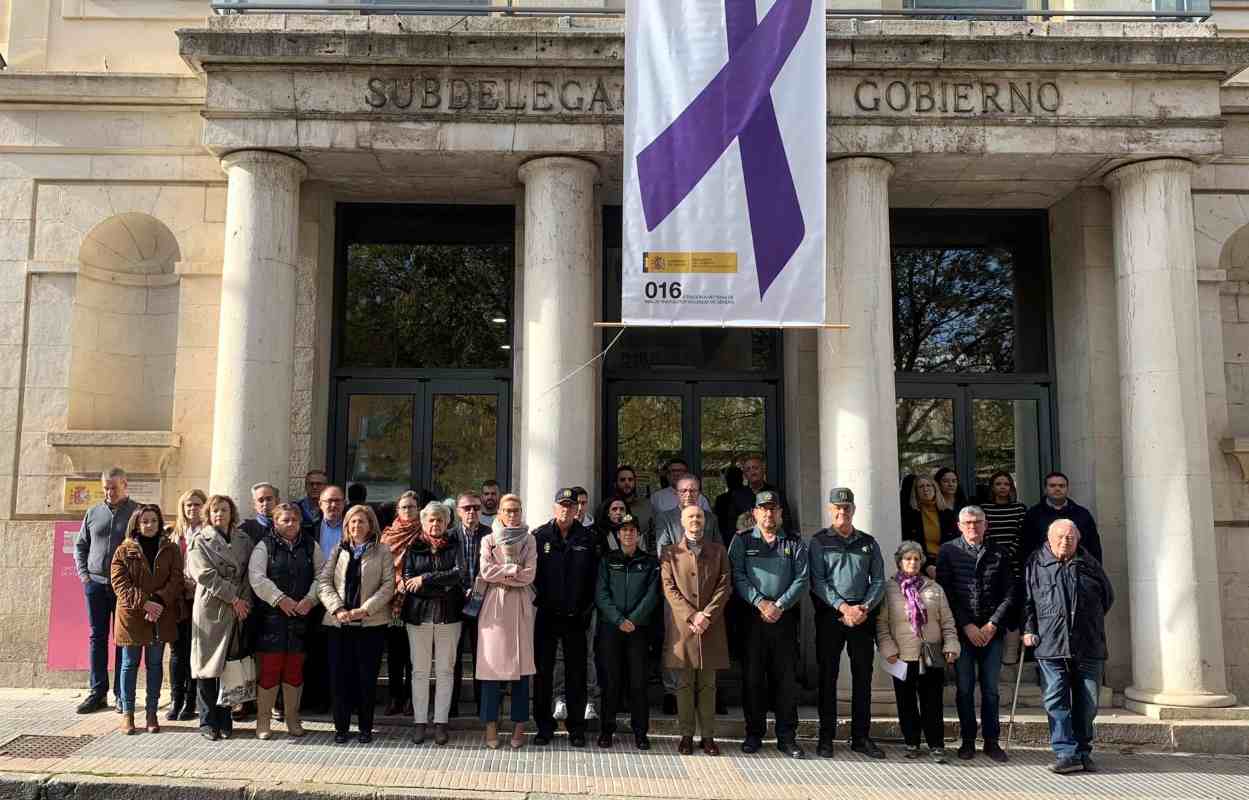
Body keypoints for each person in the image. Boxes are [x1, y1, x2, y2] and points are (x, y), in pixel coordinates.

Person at [1023, 519, 1113, 774]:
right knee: (1055, 699)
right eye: (1061, 537)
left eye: (1071, 537)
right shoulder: (1036, 563)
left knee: (1088, 702)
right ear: (1049, 539)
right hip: (1051, 645)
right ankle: (1065, 752)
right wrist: (1029, 629)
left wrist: (1087, 621)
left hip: (1088, 644)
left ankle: (1083, 751)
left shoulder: (1090, 564)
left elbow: (1107, 597)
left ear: (1079, 539)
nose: (1066, 541)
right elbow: (1027, 602)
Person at [728, 490, 809, 759]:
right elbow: (736, 575)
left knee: (785, 680)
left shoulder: (794, 542)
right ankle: (754, 734)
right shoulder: (741, 541)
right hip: (753, 619)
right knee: (753, 679)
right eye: (763, 509)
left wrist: (780, 605)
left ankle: (787, 737)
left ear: (780, 513)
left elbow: (802, 578)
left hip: (784, 620)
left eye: (773, 509)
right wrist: (760, 602)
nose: (769, 513)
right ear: (755, 513)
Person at [808, 487, 886, 759]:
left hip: (863, 616)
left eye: (847, 508)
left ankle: (861, 737)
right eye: (838, 508)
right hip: (831, 615)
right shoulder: (818, 542)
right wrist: (842, 607)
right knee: (827, 677)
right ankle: (826, 737)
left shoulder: (867, 542)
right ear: (831, 510)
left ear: (854, 510)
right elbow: (817, 581)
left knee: (862, 677)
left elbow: (877, 580)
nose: (843, 512)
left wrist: (862, 607)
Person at [936, 506, 1016, 763]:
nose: (973, 527)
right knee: (965, 689)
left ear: (986, 524)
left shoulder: (1000, 552)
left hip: (992, 632)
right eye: (968, 523)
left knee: (991, 690)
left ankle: (992, 742)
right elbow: (946, 592)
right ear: (959, 526)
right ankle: (967, 741)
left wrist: (993, 624)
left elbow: (1011, 592)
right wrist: (967, 626)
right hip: (963, 633)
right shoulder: (948, 551)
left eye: (977, 522)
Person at [875, 540, 959, 762]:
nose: (912, 562)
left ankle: (936, 745)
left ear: (921, 561)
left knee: (932, 702)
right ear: (899, 561)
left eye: (916, 558)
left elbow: (948, 622)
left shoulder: (934, 588)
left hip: (930, 654)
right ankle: (912, 742)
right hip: (901, 655)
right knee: (906, 702)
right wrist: (887, 648)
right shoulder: (888, 588)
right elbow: (881, 624)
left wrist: (951, 645)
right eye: (907, 558)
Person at [319, 503, 394, 744]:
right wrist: (337, 609)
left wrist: (365, 610)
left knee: (366, 678)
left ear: (371, 525)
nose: (356, 526)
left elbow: (388, 586)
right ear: (346, 526)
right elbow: (324, 583)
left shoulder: (382, 551)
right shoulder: (337, 551)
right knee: (340, 678)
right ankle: (341, 728)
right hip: (338, 624)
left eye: (361, 521)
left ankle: (365, 728)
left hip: (370, 625)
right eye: (352, 522)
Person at [247, 502, 323, 740]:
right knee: (269, 671)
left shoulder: (311, 545)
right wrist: (279, 599)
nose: (291, 524)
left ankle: (292, 718)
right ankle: (263, 721)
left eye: (295, 520)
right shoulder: (264, 547)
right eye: (285, 520)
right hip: (271, 620)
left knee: (294, 672)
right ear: (275, 522)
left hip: (301, 619)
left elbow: (322, 575)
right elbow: (257, 578)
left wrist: (311, 599)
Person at [531, 488, 599, 747]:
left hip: (576, 617)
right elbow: (532, 576)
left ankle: (576, 728)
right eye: (562, 505)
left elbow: (594, 578)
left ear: (576, 509)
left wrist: (586, 609)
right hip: (547, 615)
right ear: (554, 507)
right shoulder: (539, 536)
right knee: (543, 674)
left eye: (570, 506)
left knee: (576, 674)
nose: (566, 509)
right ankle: (544, 727)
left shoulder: (587, 537)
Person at [660, 505, 730, 756]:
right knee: (685, 684)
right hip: (684, 626)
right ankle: (686, 735)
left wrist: (707, 614)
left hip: (710, 625)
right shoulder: (670, 553)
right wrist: (692, 615)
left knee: (709, 684)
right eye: (690, 516)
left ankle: (708, 736)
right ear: (681, 521)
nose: (695, 521)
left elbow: (724, 585)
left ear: (705, 521)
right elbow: (669, 588)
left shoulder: (718, 551)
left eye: (699, 516)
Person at [110, 503, 182, 735]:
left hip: (160, 615)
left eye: (153, 520)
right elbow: (120, 583)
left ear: (159, 522)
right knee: (129, 664)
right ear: (137, 524)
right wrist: (145, 602)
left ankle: (152, 712)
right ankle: (128, 714)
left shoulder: (170, 549)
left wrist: (159, 601)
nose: (149, 525)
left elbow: (176, 579)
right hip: (133, 616)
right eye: (145, 521)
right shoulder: (124, 550)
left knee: (154, 664)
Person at [187, 494, 253, 741]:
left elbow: (248, 574)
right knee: (207, 665)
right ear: (208, 514)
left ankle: (225, 718)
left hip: (237, 609)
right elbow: (204, 575)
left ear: (231, 513)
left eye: (223, 510)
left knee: (229, 665)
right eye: (214, 511)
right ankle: (206, 721)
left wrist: (243, 602)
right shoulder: (199, 540)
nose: (219, 514)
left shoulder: (243, 540)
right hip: (212, 607)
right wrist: (233, 598)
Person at [73, 466, 138, 714]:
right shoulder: (93, 512)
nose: (109, 492)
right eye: (106, 488)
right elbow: (81, 545)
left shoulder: (137, 512)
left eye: (114, 487)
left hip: (125, 588)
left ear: (125, 485)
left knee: (123, 638)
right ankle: (97, 692)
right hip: (96, 585)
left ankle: (122, 694)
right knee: (97, 637)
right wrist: (85, 576)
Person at [400, 501, 465, 746]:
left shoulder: (454, 545)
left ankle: (440, 723)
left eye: (439, 519)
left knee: (446, 671)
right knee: (419, 671)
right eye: (431, 520)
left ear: (447, 522)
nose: (435, 524)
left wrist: (425, 579)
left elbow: (458, 573)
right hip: (419, 616)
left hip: (449, 616)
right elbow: (408, 581)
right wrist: (440, 585)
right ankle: (419, 723)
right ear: (423, 523)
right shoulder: (413, 547)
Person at [594, 513, 660, 749]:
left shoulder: (650, 562)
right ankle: (607, 730)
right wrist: (619, 619)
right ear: (617, 534)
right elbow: (601, 594)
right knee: (611, 681)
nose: (628, 534)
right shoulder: (607, 560)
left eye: (632, 530)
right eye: (624, 530)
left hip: (639, 631)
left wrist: (633, 619)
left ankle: (640, 732)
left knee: (638, 683)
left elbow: (652, 595)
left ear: (639, 535)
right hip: (611, 629)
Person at [476, 493, 535, 750]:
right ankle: (490, 726)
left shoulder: (529, 539)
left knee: (521, 670)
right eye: (508, 510)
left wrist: (505, 574)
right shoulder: (488, 539)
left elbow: (530, 575)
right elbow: (485, 572)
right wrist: (513, 570)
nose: (513, 515)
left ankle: (519, 726)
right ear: (499, 512)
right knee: (491, 670)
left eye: (517, 510)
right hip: (494, 608)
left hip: (521, 606)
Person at [303, 484, 346, 715]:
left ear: (344, 503)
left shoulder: (352, 527)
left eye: (337, 501)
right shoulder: (309, 529)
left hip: (344, 597)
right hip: (315, 597)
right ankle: (319, 699)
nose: (333, 505)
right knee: (316, 652)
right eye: (328, 501)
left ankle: (341, 699)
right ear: (319, 504)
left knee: (341, 653)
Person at [450, 491, 492, 718]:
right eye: (466, 508)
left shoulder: (490, 535)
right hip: (454, 604)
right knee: (452, 658)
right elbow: (445, 569)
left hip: (483, 604)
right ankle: (452, 706)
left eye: (476, 508)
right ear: (458, 512)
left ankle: (481, 706)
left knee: (482, 657)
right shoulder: (449, 536)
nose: (472, 512)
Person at [380, 491, 421, 719]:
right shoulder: (388, 535)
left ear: (418, 509)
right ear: (398, 510)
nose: (408, 511)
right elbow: (383, 566)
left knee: (415, 654)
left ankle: (413, 699)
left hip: (417, 600)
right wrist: (396, 583)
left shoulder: (424, 532)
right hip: (393, 601)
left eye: (412, 507)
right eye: (404, 507)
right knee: (395, 652)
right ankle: (395, 697)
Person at [166, 489, 206, 721]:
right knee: (177, 652)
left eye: (197, 504)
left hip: (200, 599)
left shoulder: (208, 532)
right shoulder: (174, 533)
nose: (192, 509)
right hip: (178, 600)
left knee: (196, 651)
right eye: (188, 505)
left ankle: (192, 701)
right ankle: (176, 699)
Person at [1021, 472, 1103, 565]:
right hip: (1044, 571)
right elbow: (1025, 547)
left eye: (1061, 486)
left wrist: (1094, 571)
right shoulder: (1033, 515)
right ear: (1045, 489)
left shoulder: (1082, 514)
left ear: (1067, 489)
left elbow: (1093, 547)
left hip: (1077, 570)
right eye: (1052, 485)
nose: (1057, 489)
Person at [902, 475, 957, 577]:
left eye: (929, 485)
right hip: (921, 566)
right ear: (915, 492)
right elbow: (909, 545)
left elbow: (956, 541)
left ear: (935, 489)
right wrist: (926, 566)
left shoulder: (947, 514)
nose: (925, 489)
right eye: (921, 487)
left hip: (947, 563)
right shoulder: (910, 516)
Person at [740, 455, 799, 534]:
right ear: (744, 475)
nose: (752, 472)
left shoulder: (776, 493)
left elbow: (786, 521)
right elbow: (731, 524)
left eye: (755, 468)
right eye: (748, 469)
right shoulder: (737, 495)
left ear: (763, 470)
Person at [982, 471, 1028, 569]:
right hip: (991, 559)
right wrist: (996, 554)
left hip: (1015, 560)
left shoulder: (1019, 508)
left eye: (1006, 484)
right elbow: (983, 533)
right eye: (998, 484)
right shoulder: (984, 508)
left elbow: (1022, 533)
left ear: (1011, 487)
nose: (1002, 487)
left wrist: (1009, 554)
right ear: (992, 487)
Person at [713, 465, 754, 543]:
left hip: (743, 537)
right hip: (729, 539)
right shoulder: (722, 499)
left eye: (730, 478)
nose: (729, 481)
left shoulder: (750, 495)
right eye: (729, 478)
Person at [612, 465, 654, 541]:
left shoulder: (647, 506)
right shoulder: (607, 507)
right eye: (622, 480)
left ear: (635, 483)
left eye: (630, 479)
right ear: (615, 484)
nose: (627, 483)